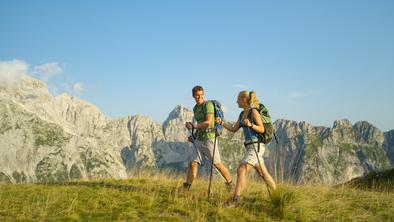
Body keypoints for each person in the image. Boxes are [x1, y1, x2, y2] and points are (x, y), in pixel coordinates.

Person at [215, 90, 276, 207]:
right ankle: (277, 195)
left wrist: (250, 125)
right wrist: (222, 123)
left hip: (256, 146)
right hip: (249, 147)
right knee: (264, 174)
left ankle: (235, 201)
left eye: (238, 98)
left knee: (241, 170)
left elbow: (262, 129)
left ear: (244, 99)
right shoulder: (242, 114)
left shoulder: (253, 111)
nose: (236, 101)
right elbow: (233, 128)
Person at [183, 85, 233, 191]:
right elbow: (200, 123)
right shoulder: (195, 108)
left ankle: (230, 184)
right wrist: (194, 136)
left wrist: (193, 126)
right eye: (197, 95)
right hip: (199, 139)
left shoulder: (208, 105)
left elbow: (208, 122)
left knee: (217, 164)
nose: (199, 97)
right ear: (193, 96)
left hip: (209, 138)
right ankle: (186, 188)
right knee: (193, 163)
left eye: (201, 95)